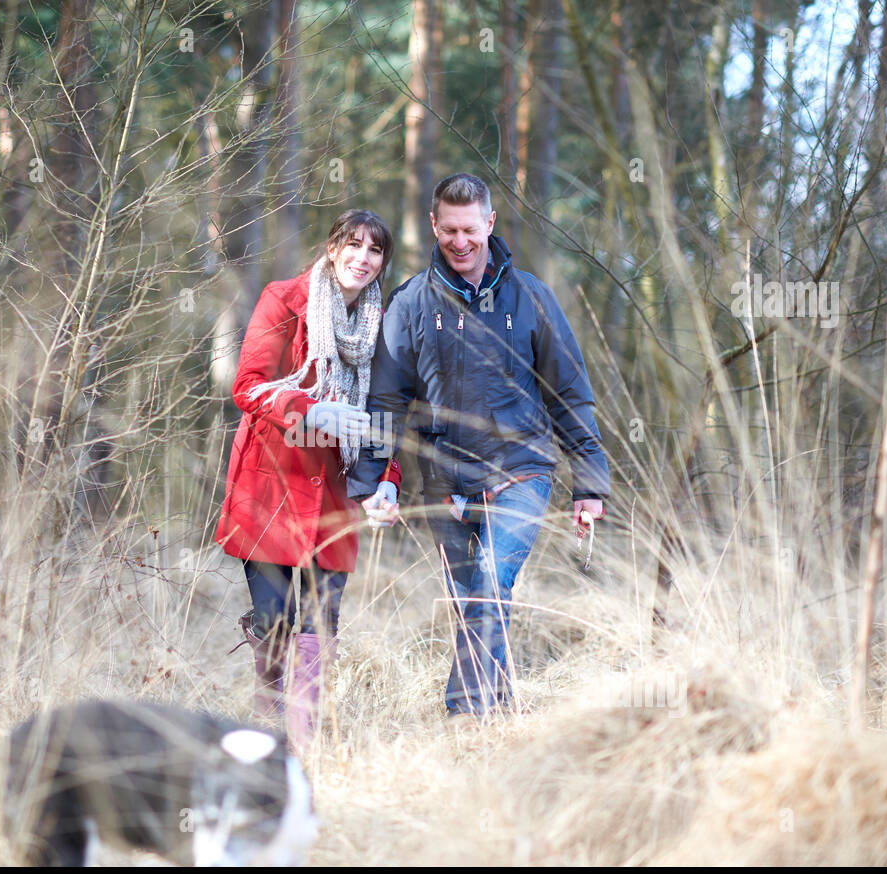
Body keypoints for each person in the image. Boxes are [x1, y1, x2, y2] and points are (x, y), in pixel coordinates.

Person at [349, 173, 610, 717]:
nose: (460, 241)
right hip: (444, 481)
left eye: (471, 229)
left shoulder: (531, 297)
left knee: (491, 587)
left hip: (521, 473)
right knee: (473, 602)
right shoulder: (410, 304)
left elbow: (569, 391)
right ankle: (500, 712)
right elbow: (385, 401)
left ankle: (464, 715)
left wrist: (588, 481)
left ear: (490, 224)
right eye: (449, 230)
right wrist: (374, 481)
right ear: (434, 226)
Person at [215, 210, 401, 748]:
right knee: (274, 623)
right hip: (271, 486)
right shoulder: (284, 299)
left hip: (336, 495)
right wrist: (307, 410)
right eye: (354, 245)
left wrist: (387, 479)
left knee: (321, 621)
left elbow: (385, 414)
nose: (362, 258)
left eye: (375, 250)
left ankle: (304, 745)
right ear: (332, 248)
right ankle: (268, 732)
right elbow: (247, 385)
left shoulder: (380, 324)